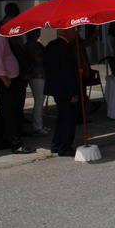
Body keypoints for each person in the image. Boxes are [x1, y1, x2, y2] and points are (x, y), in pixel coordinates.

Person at [0, 25, 34, 154]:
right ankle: (15, 144)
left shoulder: (1, 39)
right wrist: (5, 79)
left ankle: (1, 141)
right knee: (9, 111)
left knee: (3, 111)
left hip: (4, 79)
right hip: (2, 80)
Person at [44, 28, 80, 157]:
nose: (76, 32)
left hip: (57, 88)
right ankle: (64, 146)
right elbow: (66, 72)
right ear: (65, 32)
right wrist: (73, 92)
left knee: (62, 117)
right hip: (66, 90)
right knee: (68, 119)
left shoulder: (51, 45)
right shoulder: (64, 47)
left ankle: (57, 144)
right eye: (73, 30)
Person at [25, 29, 49, 135]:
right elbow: (38, 59)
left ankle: (39, 125)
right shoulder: (30, 45)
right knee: (39, 101)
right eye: (37, 31)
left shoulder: (36, 44)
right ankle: (37, 126)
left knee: (40, 100)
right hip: (36, 76)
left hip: (40, 74)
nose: (39, 33)